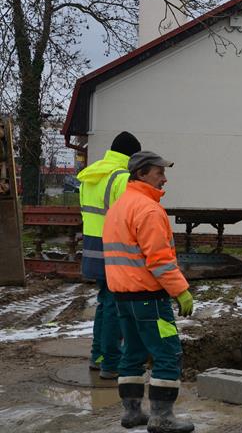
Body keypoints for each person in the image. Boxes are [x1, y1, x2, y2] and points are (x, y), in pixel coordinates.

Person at [103, 151, 194, 432]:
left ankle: (132, 413)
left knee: (132, 352)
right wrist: (181, 291)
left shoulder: (119, 207)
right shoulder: (149, 210)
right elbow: (159, 260)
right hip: (149, 299)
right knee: (168, 353)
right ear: (141, 174)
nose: (164, 179)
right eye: (159, 173)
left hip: (122, 297)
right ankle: (162, 418)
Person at [77, 131, 141, 379]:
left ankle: (99, 355)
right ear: (131, 155)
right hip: (114, 249)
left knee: (106, 303)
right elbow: (128, 217)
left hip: (92, 248)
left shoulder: (91, 174)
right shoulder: (121, 177)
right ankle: (112, 362)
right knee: (115, 305)